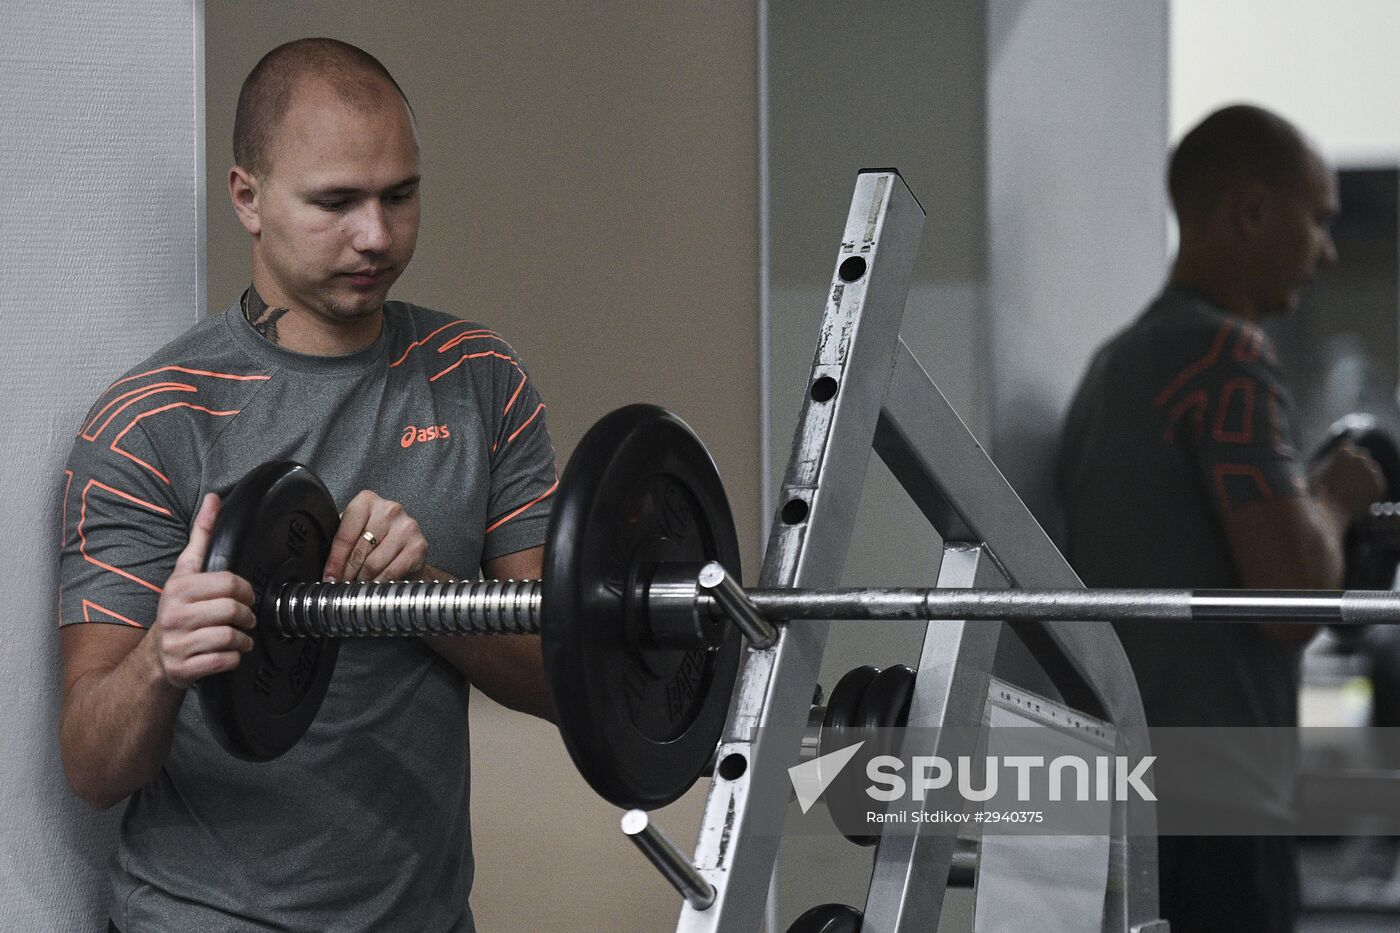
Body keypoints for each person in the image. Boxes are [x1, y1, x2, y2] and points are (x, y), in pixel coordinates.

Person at [56, 38, 557, 932]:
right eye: (336, 202)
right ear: (247, 197)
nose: (376, 235)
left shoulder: (478, 378)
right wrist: (162, 658)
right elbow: (92, 767)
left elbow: (562, 675)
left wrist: (420, 591)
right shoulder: (151, 421)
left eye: (399, 196)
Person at [1057, 104, 1387, 933]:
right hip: (1220, 808)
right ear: (1252, 210)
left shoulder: (1112, 367)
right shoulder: (1226, 354)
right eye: (1318, 220)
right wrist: (1338, 493)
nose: (1326, 250)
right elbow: (1293, 597)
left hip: (1129, 796)